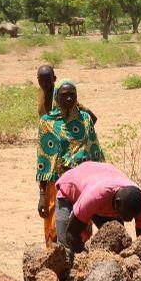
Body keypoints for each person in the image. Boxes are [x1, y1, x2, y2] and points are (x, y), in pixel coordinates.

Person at [34, 79, 104, 245]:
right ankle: (57, 265)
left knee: (81, 227)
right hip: (56, 183)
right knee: (55, 229)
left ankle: (81, 266)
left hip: (83, 184)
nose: (69, 99)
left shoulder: (85, 119)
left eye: (72, 95)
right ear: (57, 97)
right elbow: (43, 160)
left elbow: (94, 151)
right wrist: (42, 196)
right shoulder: (47, 122)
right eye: (64, 95)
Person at [52, 160, 141, 250]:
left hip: (100, 179)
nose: (129, 220)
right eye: (125, 215)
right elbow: (71, 234)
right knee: (65, 248)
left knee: (117, 241)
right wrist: (86, 260)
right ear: (118, 203)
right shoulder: (94, 196)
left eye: (133, 216)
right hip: (70, 187)